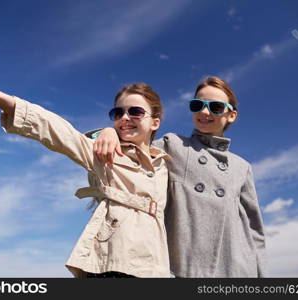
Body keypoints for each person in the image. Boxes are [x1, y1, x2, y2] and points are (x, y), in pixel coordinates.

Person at [0, 65, 171, 278]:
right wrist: (5, 102)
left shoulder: (166, 163)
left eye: (135, 112)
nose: (124, 118)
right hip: (112, 263)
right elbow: (59, 132)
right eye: (117, 112)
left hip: (156, 269)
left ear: (155, 122)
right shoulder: (103, 152)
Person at [92, 76, 267, 277]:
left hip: (234, 267)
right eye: (197, 105)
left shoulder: (242, 167)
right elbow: (132, 144)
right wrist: (108, 132)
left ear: (232, 115)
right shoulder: (173, 145)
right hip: (183, 266)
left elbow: (255, 231)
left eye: (216, 107)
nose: (204, 111)